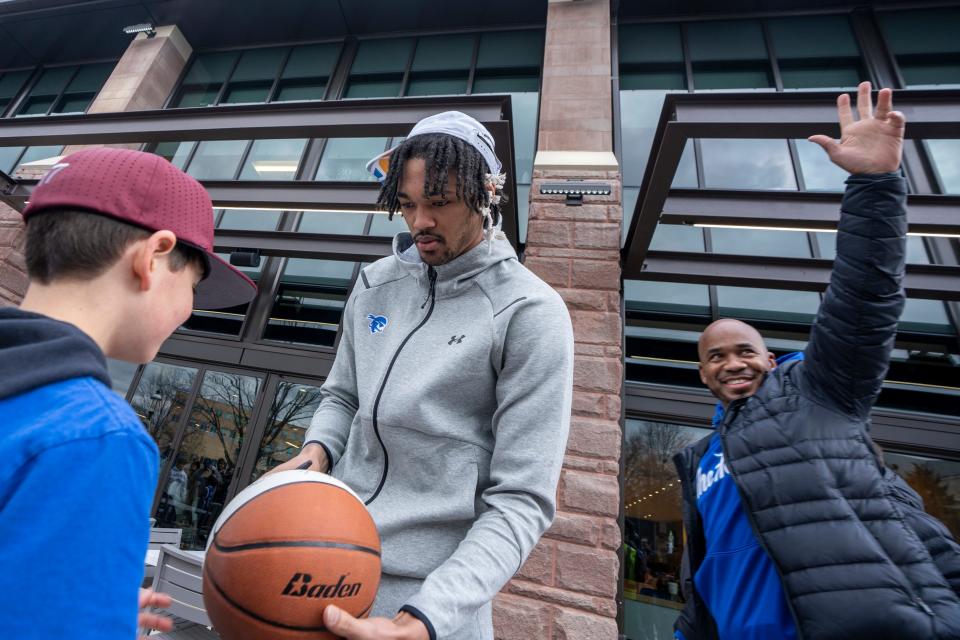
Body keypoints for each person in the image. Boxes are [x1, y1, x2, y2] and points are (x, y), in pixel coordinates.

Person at [270, 111, 574, 640]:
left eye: (439, 203)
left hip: (430, 604)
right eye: (407, 204)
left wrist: (428, 615)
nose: (419, 223)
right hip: (323, 563)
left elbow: (522, 499)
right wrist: (317, 451)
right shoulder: (374, 284)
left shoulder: (530, 312)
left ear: (486, 194)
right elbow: (342, 395)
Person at [673, 82, 960, 640]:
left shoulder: (817, 393)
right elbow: (705, 570)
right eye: (716, 357)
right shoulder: (699, 459)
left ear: (771, 360)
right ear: (703, 373)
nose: (733, 363)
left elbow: (863, 299)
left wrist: (875, 184)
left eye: (745, 351)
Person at [0, 147, 256, 638]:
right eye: (194, 288)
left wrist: (75, 596)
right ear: (153, 256)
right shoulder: (96, 438)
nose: (188, 310)